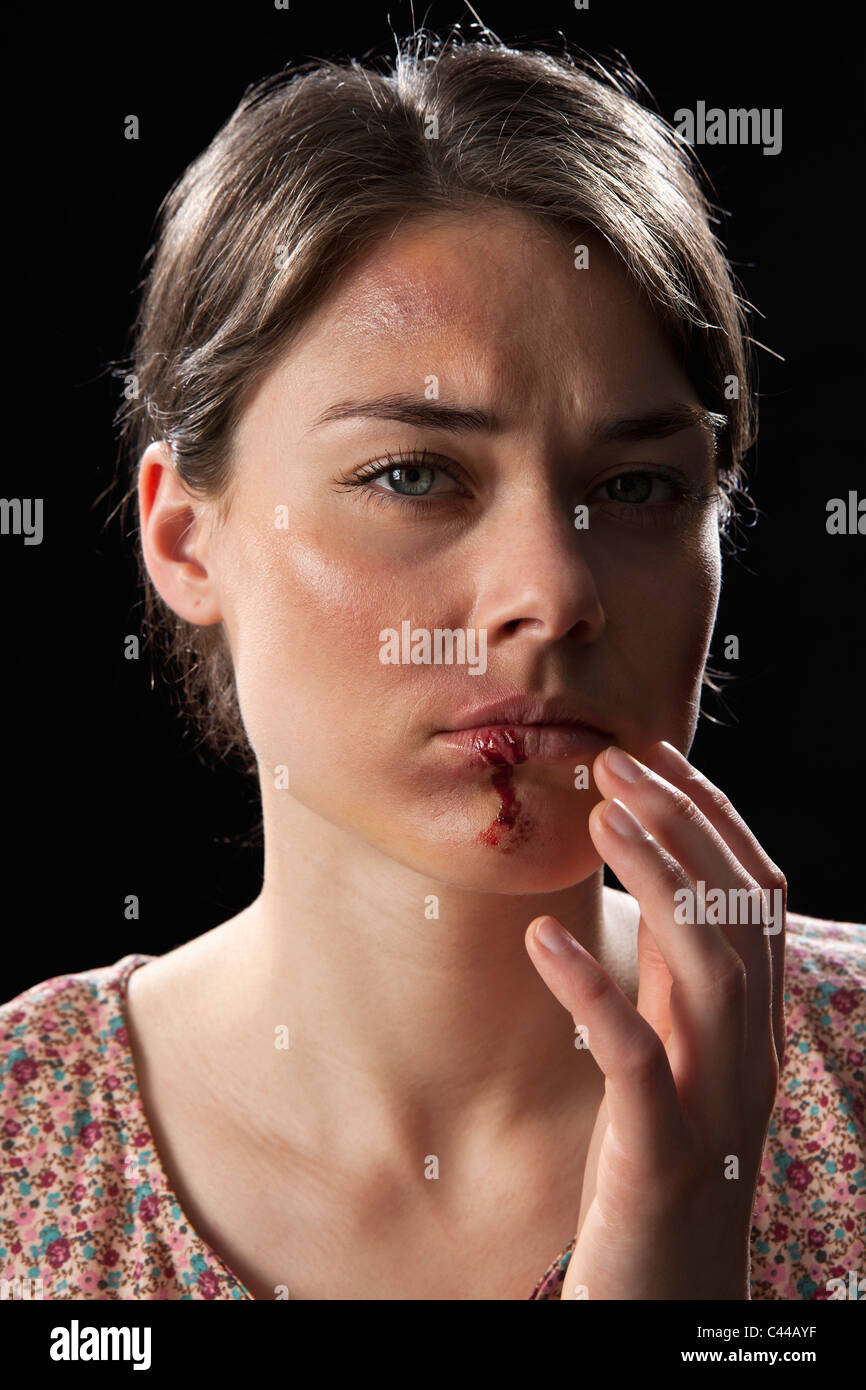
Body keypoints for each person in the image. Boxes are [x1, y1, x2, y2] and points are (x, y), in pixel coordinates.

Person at [2, 32, 863, 1302]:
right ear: (186, 537)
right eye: (413, 474)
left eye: (634, 487)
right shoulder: (22, 1147)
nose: (554, 595)